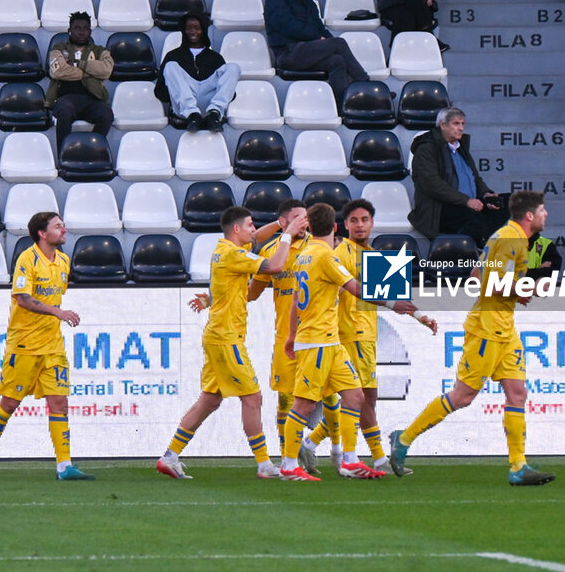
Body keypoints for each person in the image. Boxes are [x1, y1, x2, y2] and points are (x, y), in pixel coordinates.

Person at [389, 191, 557, 486]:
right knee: (463, 396)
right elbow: (481, 280)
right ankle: (403, 439)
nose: (546, 215)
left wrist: (517, 289)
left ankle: (518, 466)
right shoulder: (511, 238)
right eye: (542, 210)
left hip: (504, 328)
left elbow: (480, 271)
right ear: (529, 215)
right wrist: (520, 290)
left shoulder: (510, 236)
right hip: (486, 328)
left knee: (517, 393)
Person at [279, 203, 435, 481]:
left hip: (356, 337)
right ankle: (367, 457)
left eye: (365, 219)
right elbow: (361, 291)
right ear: (342, 226)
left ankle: (339, 455)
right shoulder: (336, 254)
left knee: (357, 397)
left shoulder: (371, 255)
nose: (360, 225)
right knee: (322, 402)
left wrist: (421, 316)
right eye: (355, 220)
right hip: (342, 335)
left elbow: (395, 297)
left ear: (373, 223)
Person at [156, 207, 300, 480]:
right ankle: (264, 464)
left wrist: (281, 223)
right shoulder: (234, 254)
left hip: (219, 335)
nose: (253, 229)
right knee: (253, 397)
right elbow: (276, 265)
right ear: (237, 229)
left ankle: (170, 456)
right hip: (226, 339)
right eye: (249, 225)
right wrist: (288, 235)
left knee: (209, 400)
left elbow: (254, 241)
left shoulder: (226, 250)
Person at [0, 212, 93, 481]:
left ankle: (64, 466)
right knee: (10, 403)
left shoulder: (63, 260)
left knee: (59, 402)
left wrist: (55, 316)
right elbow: (23, 298)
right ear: (42, 233)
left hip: (52, 345)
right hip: (25, 344)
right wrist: (57, 312)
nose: (64, 229)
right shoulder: (27, 260)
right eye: (57, 226)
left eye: (63, 224)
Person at [246, 200, 312, 465]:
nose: (303, 223)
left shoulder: (322, 247)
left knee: (341, 397)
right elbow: (251, 293)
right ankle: (289, 457)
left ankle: (334, 451)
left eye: (305, 218)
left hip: (324, 338)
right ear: (283, 222)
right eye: (296, 218)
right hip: (287, 339)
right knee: (285, 400)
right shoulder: (272, 251)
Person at [264, 0, 370, 105]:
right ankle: (366, 85)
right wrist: (319, 39)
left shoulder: (309, 1)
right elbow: (287, 25)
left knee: (337, 60)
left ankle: (343, 105)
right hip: (287, 53)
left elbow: (321, 28)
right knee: (339, 43)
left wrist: (327, 41)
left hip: (308, 51)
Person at [407, 107, 508, 246]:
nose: (461, 128)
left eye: (462, 124)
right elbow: (432, 185)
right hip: (441, 208)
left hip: (468, 203)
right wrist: (466, 201)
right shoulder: (426, 148)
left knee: (512, 202)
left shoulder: (460, 147)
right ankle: (467, 247)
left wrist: (486, 195)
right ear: (443, 125)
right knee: (474, 218)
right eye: (456, 124)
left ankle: (482, 238)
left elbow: (475, 178)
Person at [154, 13, 241, 133]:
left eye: (196, 28)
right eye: (188, 28)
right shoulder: (173, 55)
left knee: (233, 67)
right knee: (171, 66)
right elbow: (160, 91)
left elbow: (229, 92)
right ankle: (192, 114)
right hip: (184, 108)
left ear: (203, 30)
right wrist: (178, 90)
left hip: (209, 103)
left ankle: (214, 113)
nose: (192, 31)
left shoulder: (216, 58)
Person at [45, 12, 114, 153]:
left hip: (93, 99)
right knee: (64, 112)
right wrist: (91, 71)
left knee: (107, 114)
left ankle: (92, 151)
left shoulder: (100, 50)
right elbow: (58, 72)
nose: (82, 32)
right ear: (69, 30)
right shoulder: (58, 49)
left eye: (85, 28)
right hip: (65, 99)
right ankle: (64, 156)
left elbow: (106, 70)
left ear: (90, 31)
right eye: (77, 28)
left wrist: (78, 64)